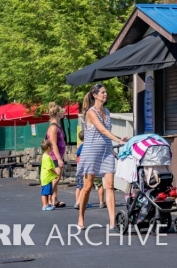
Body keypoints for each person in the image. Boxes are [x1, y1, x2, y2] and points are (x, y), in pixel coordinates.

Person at [76, 83, 125, 229]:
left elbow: (106, 136)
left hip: (106, 153)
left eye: (105, 92)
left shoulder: (108, 112)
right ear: (95, 95)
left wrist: (114, 148)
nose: (105, 94)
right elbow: (103, 131)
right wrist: (118, 140)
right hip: (91, 153)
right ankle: (81, 217)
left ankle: (112, 222)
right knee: (88, 186)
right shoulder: (91, 112)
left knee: (110, 185)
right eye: (102, 92)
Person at [45, 102, 67, 208]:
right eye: (61, 111)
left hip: (58, 156)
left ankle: (54, 199)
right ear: (57, 113)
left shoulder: (57, 126)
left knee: (55, 177)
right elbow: (53, 144)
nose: (63, 113)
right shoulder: (53, 127)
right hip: (54, 157)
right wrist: (59, 159)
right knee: (56, 178)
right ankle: (49, 200)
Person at [39, 140, 58, 211]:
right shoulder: (46, 157)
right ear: (48, 147)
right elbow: (49, 168)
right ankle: (45, 205)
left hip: (47, 178)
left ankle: (47, 204)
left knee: (47, 192)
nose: (53, 147)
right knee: (45, 193)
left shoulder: (46, 156)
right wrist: (55, 173)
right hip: (46, 178)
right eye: (51, 146)